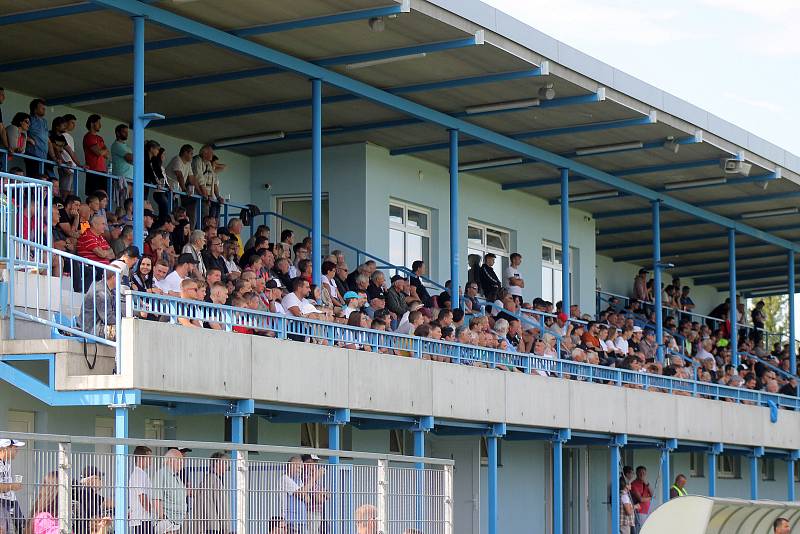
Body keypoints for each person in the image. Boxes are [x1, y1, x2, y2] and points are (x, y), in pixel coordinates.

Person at [193, 452, 230, 534]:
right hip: (212, 526)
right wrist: (226, 528)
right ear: (216, 463)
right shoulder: (215, 481)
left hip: (203, 525)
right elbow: (222, 507)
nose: (227, 467)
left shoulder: (206, 480)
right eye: (225, 463)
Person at [152, 449, 187, 534]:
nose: (182, 463)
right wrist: (163, 519)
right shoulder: (161, 474)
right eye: (180, 460)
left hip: (178, 522)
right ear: (171, 460)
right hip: (168, 523)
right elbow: (156, 499)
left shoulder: (177, 476)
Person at [0, 439, 25, 533]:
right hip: (2, 502)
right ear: (5, 449)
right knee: (3, 529)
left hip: (11, 500)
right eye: (15, 448)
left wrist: (12, 486)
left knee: (22, 527)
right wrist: (12, 486)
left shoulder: (6, 463)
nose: (17, 451)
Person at [128, 446, 154, 534]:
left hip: (143, 518)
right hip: (142, 519)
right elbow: (142, 497)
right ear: (140, 458)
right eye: (149, 458)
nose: (151, 460)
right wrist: (153, 511)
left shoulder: (141, 473)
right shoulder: (139, 474)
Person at [83, 114, 110, 193]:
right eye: (98, 123)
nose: (100, 125)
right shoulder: (88, 137)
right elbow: (99, 152)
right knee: (94, 195)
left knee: (103, 196)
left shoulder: (100, 138)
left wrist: (102, 151)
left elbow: (107, 155)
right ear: (92, 123)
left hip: (103, 171)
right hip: (93, 170)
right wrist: (102, 151)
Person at [630, 466, 652, 532]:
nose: (642, 474)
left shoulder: (645, 484)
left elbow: (653, 494)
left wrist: (647, 484)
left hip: (647, 511)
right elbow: (640, 499)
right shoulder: (634, 484)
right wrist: (650, 498)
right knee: (640, 530)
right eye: (640, 472)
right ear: (636, 473)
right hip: (639, 511)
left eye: (643, 473)